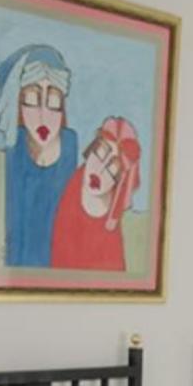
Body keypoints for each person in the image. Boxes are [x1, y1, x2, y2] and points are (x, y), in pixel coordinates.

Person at [0, 44, 80, 268]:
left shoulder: (70, 147)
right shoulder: (14, 151)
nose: (43, 115)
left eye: (54, 102)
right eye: (31, 100)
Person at [50, 116, 142, 272]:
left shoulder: (111, 228)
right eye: (101, 152)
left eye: (113, 167)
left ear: (120, 182)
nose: (100, 170)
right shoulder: (70, 186)